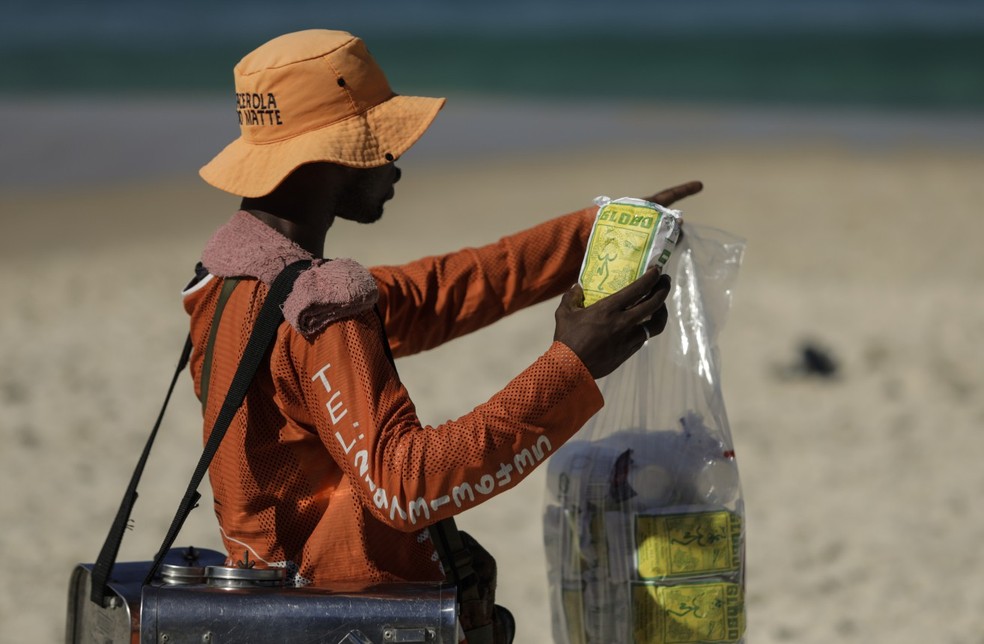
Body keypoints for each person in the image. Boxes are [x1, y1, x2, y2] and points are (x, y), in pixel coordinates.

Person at [183, 29, 702, 643]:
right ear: (325, 157)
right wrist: (573, 363)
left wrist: (591, 238)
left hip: (269, 601)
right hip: (344, 611)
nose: (398, 159)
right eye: (381, 141)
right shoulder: (318, 309)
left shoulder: (229, 283)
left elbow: (437, 292)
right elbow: (404, 487)